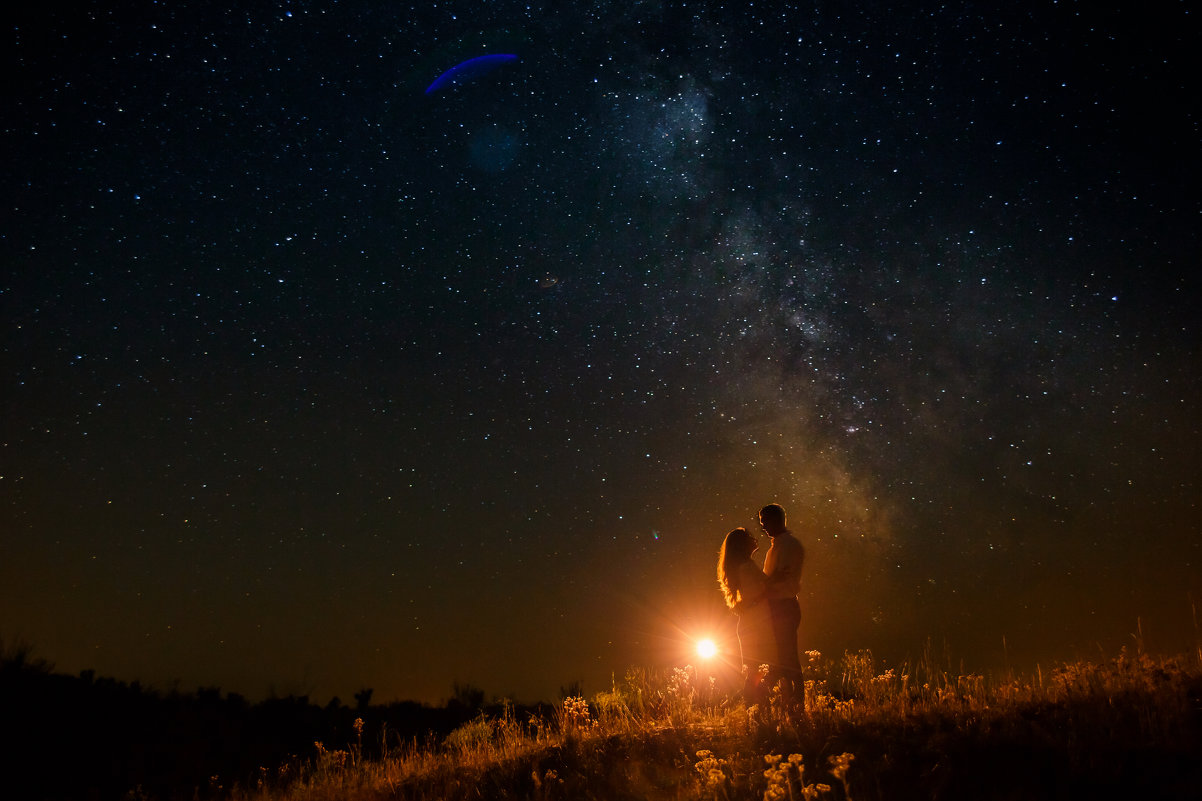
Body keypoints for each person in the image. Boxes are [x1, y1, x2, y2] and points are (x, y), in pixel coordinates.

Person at [716, 527, 774, 702]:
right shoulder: (747, 567)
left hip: (749, 623)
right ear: (742, 545)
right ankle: (753, 707)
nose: (754, 539)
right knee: (758, 669)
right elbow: (762, 590)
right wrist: (777, 578)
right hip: (756, 623)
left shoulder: (739, 567)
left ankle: (753, 708)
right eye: (749, 537)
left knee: (754, 669)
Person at [759, 503, 805, 710]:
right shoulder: (779, 545)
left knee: (787, 655)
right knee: (782, 655)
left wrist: (761, 587)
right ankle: (789, 700)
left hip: (783, 606)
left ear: (776, 520)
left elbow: (779, 579)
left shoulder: (786, 546)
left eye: (765, 522)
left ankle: (795, 702)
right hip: (780, 606)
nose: (763, 528)